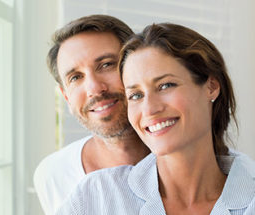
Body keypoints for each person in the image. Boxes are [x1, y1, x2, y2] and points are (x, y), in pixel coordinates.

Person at [56, 23, 255, 215]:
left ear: (211, 86)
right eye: (135, 95)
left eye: (166, 86)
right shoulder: (96, 196)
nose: (149, 109)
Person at [33, 15, 150, 215]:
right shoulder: (52, 175)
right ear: (67, 97)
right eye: (76, 77)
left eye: (106, 65)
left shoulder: (191, 160)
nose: (94, 88)